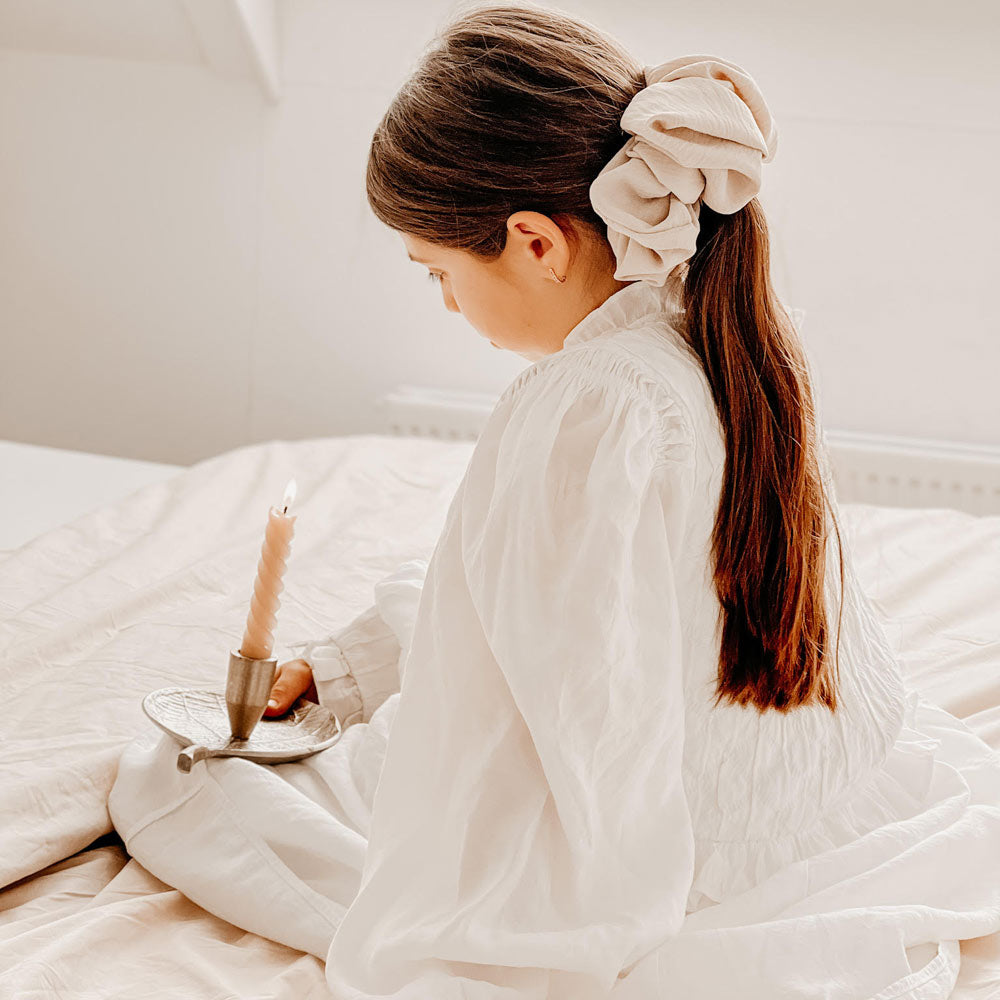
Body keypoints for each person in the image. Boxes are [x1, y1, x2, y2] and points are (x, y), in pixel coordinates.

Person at [108, 3, 1000, 998]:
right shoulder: (725, 329)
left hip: (675, 848)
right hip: (800, 796)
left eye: (438, 271)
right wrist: (351, 667)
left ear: (534, 242)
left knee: (175, 788)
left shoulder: (587, 406)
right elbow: (544, 595)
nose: (445, 302)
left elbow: (573, 712)